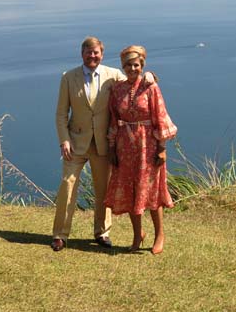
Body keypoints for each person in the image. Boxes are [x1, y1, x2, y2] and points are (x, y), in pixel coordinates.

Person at [51, 36, 153, 252]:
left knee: (103, 190)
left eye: (96, 52)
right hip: (76, 143)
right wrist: (64, 140)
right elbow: (61, 113)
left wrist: (150, 76)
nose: (92, 56)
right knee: (67, 186)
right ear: (82, 54)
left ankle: (102, 233)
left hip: (103, 144)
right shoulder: (68, 78)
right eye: (88, 52)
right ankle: (60, 234)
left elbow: (134, 79)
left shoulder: (113, 76)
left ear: (102, 55)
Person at [105, 45, 177, 255]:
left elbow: (160, 116)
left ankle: (159, 235)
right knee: (130, 190)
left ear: (142, 65)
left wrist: (162, 148)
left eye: (136, 65)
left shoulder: (151, 87)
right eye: (128, 65)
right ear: (123, 66)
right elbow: (113, 119)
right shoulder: (117, 89)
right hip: (125, 146)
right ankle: (138, 234)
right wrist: (111, 147)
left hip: (148, 146)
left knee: (152, 192)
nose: (132, 68)